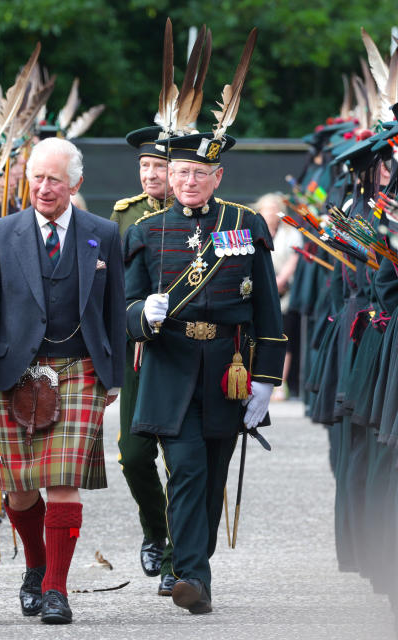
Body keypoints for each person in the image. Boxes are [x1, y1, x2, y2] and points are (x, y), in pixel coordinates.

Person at [0, 137, 125, 624]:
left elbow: (114, 309)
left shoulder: (103, 234)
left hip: (79, 370)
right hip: (13, 375)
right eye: (37, 177)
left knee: (62, 481)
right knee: (20, 490)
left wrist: (113, 377)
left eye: (55, 179)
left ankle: (57, 588)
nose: (44, 188)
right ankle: (36, 566)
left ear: (75, 183)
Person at [123, 130, 285, 614]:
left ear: (218, 177)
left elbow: (267, 308)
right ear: (167, 177)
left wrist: (266, 377)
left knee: (212, 477)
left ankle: (195, 564)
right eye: (179, 173)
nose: (188, 181)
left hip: (226, 369)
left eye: (198, 173)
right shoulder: (145, 231)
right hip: (170, 364)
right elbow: (126, 307)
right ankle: (191, 576)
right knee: (187, 469)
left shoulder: (245, 223)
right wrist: (142, 317)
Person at [111, 125, 176, 593]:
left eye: (159, 166)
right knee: (134, 455)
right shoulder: (125, 215)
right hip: (137, 347)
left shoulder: (203, 214)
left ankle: (177, 556)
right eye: (144, 166)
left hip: (186, 346)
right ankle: (156, 531)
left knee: (183, 458)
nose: (150, 174)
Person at [253, 192, 301, 400]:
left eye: (275, 208)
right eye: (267, 208)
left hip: (284, 290)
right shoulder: (253, 228)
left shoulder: (291, 233)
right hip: (258, 288)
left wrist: (280, 281)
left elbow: (295, 258)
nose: (271, 213)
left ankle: (279, 384)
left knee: (284, 335)